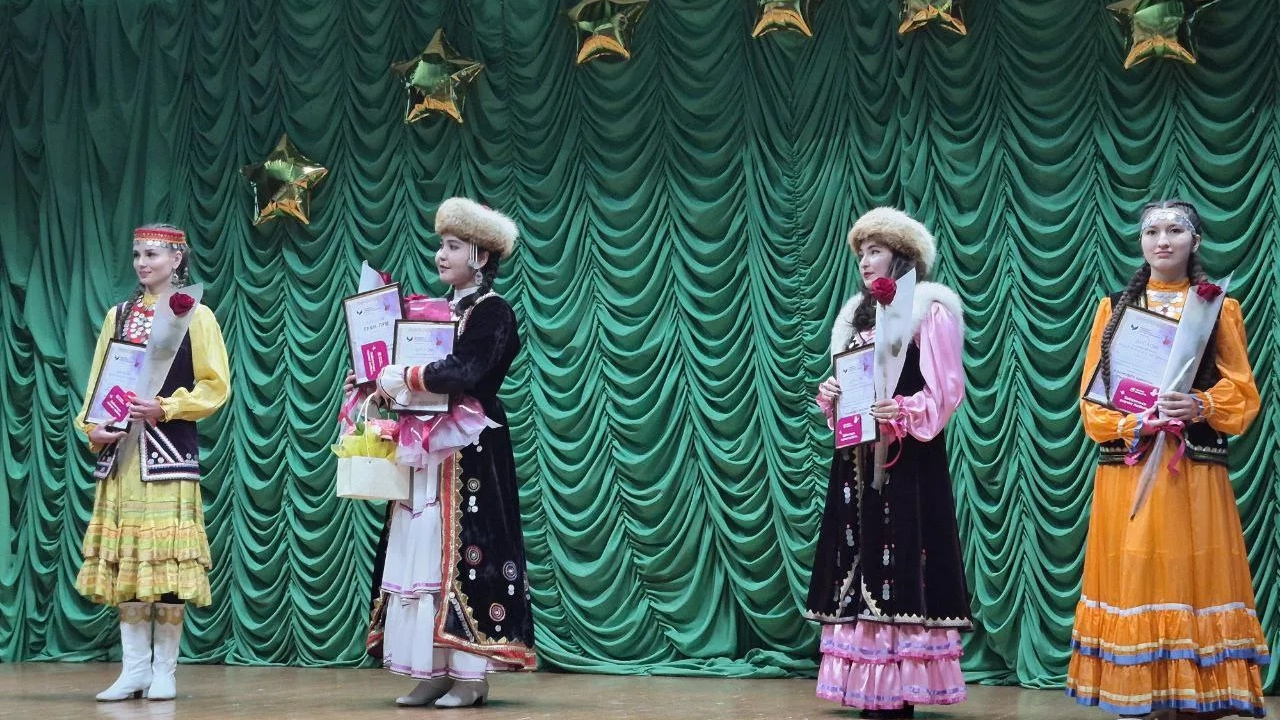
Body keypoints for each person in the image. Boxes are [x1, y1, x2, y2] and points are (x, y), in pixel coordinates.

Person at [1066, 200, 1269, 719]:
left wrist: (1199, 404)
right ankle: (1148, 697)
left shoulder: (1218, 307)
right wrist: (1132, 423)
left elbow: (1243, 392)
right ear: (1140, 242)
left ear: (1194, 241)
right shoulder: (1113, 308)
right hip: (1130, 466)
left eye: (1175, 230)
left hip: (1192, 467)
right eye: (1151, 231)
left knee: (1189, 570)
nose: (1162, 240)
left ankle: (1197, 697)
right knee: (1137, 570)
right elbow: (1092, 401)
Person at [347, 198, 536, 708]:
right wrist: (373, 381)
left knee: (463, 553)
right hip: (426, 449)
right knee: (421, 549)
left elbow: (468, 371)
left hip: (470, 448)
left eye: (452, 246)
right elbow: (413, 373)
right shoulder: (433, 313)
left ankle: (470, 676)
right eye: (441, 245)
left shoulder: (493, 311)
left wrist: (403, 375)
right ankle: (431, 669)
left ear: (481, 255)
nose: (440, 255)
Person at [808, 207, 971, 719]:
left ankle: (900, 688)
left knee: (901, 556)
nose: (864, 261)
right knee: (857, 557)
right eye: (861, 253)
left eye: (874, 251)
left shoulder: (930, 309)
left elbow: (946, 390)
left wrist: (902, 410)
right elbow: (850, 387)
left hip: (908, 459)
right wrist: (834, 395)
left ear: (901, 256)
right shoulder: (853, 317)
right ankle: (867, 685)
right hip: (856, 461)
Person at [75, 224, 231, 702]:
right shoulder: (118, 316)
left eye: (152, 255)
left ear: (177, 259)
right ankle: (134, 670)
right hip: (123, 455)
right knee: (128, 565)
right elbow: (99, 382)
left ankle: (165, 671)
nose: (142, 263)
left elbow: (215, 385)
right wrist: (91, 427)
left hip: (167, 453)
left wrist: (168, 406)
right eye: (137, 254)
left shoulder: (195, 315)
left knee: (165, 565)